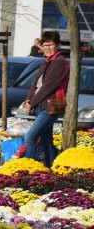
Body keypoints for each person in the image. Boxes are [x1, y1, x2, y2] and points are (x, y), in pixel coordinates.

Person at [23, 31, 69, 168]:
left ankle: (27, 169)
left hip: (49, 108)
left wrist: (33, 102)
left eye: (51, 45)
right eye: (45, 45)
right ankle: (51, 168)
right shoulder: (46, 61)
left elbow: (48, 87)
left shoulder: (59, 62)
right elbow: (35, 83)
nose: (47, 48)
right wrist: (28, 99)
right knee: (46, 141)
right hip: (41, 106)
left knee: (30, 138)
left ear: (58, 45)